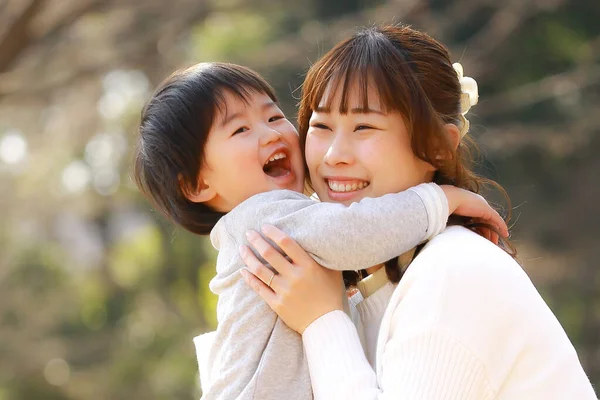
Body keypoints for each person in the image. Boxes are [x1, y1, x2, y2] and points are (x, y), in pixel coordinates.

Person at [241, 25, 597, 399]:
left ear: (440, 147)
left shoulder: (451, 272)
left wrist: (321, 320)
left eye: (364, 126)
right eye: (322, 126)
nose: (333, 156)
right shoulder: (354, 279)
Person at [133, 62, 507, 399]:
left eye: (274, 117)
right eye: (241, 129)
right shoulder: (263, 216)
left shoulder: (279, 222)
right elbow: (357, 232)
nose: (270, 135)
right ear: (198, 185)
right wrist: (439, 201)